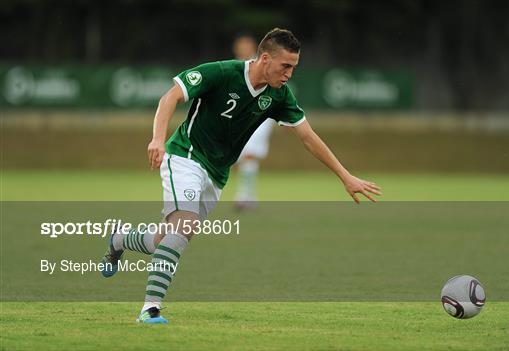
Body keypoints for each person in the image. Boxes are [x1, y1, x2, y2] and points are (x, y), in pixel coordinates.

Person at [100, 28, 381, 324]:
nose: (289, 74)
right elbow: (169, 98)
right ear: (264, 58)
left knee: (163, 239)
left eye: (294, 68)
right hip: (185, 156)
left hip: (217, 174)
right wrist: (157, 139)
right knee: (183, 228)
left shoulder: (279, 95)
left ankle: (119, 239)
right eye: (285, 66)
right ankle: (150, 309)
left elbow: (308, 136)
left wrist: (345, 176)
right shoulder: (222, 73)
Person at [232, 33, 275, 208]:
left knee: (249, 155)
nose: (243, 49)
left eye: (247, 45)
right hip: (237, 118)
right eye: (241, 46)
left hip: (260, 117)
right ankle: (248, 195)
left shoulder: (262, 66)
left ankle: (244, 197)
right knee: (240, 158)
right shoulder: (232, 67)